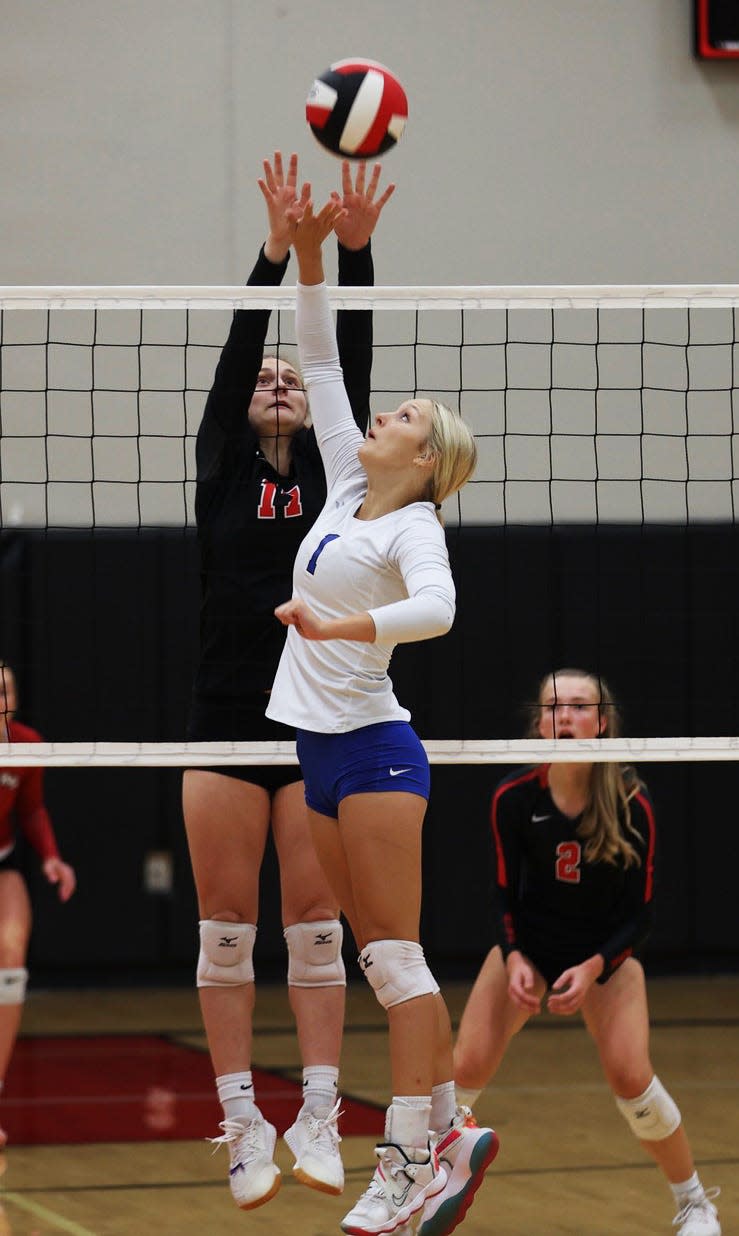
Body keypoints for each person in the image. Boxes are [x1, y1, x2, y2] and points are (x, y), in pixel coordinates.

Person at [266, 197, 497, 1236]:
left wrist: (337, 630)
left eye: (401, 415)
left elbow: (440, 612)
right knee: (375, 954)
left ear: (425, 457)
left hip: (375, 755)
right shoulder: (345, 491)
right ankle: (447, 1128)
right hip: (318, 754)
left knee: (396, 959)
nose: (380, 414)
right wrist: (308, 257)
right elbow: (318, 365)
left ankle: (407, 1162)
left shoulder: (412, 523)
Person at [182, 152, 395, 1211]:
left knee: (315, 930)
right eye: (266, 381)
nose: (276, 381)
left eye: (285, 380)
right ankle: (238, 1122)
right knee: (226, 932)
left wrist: (350, 251)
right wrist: (273, 256)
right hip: (225, 718)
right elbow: (235, 355)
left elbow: (341, 358)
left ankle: (318, 1111)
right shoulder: (220, 465)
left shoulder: (337, 476)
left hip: (314, 715)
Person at [453, 667, 721, 1236]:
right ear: (538, 723)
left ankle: (695, 1203)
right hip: (530, 949)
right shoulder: (514, 798)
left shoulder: (631, 803)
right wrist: (517, 955)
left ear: (602, 723)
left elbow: (642, 914)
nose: (566, 716)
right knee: (462, 1071)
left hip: (604, 956)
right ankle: (411, 1194)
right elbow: (501, 891)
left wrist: (597, 965)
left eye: (579, 707)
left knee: (632, 1082)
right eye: (554, 707)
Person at [0, 661, 76, 1147]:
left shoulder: (27, 743)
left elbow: (31, 809)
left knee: (11, 950)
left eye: (5, 688)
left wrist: (52, 858)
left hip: (4, 863)